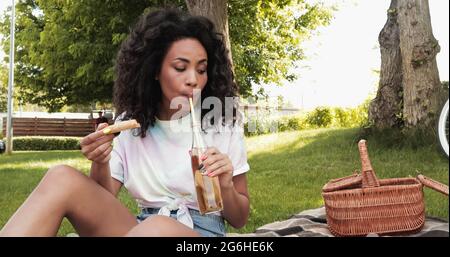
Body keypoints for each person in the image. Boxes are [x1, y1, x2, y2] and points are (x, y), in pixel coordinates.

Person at [0, 8, 250, 237]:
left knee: (157, 229)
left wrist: (225, 185)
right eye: (180, 67)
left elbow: (239, 219)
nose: (193, 80)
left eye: (202, 69)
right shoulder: (129, 125)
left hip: (201, 232)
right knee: (61, 178)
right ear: (154, 70)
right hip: (139, 228)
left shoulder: (221, 123)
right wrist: (101, 161)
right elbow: (102, 199)